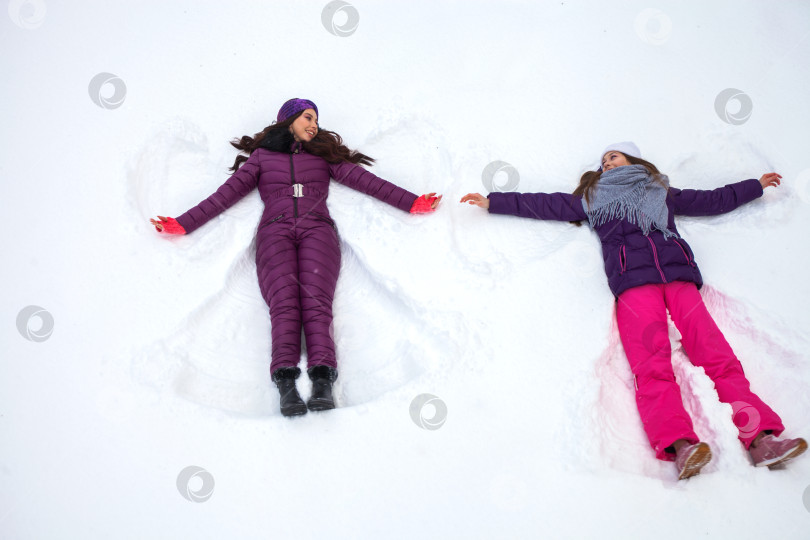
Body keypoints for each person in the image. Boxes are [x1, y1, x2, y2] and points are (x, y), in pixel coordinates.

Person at [461, 141, 806, 480]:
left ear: (632, 161)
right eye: (603, 162)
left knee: (717, 355)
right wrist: (493, 201)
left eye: (613, 157)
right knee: (652, 364)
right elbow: (545, 204)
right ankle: (681, 445)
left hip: (679, 277)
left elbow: (711, 200)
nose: (607, 163)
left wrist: (754, 187)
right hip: (633, 285)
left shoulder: (660, 191)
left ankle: (762, 439)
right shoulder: (592, 198)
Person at [151, 98, 442, 417]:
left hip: (318, 230)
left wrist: (412, 202)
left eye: (316, 119)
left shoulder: (323, 157)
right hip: (274, 233)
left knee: (317, 303)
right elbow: (225, 194)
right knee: (284, 303)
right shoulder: (261, 158)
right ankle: (287, 386)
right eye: (307, 117)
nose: (314, 124)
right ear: (288, 120)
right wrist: (183, 223)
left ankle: (322, 383)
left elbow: (367, 182)